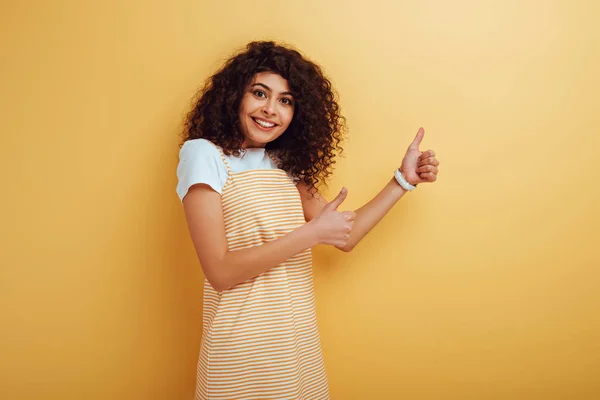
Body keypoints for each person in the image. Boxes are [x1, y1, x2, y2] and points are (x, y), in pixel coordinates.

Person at [176, 41, 439, 400]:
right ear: (235, 95)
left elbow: (344, 235)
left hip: (295, 347)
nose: (271, 110)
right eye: (259, 93)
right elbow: (219, 272)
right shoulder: (203, 155)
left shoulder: (283, 167)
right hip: (243, 349)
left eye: (286, 101)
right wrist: (311, 234)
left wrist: (402, 181)